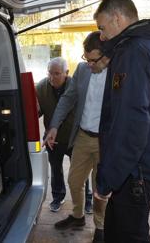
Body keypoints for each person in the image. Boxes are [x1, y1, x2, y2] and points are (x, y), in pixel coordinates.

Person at [93, 0, 150, 243]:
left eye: (102, 27)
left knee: (130, 235)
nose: (101, 35)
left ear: (117, 18)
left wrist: (107, 179)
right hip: (143, 165)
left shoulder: (133, 52)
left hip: (134, 170)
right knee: (120, 231)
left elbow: (130, 123)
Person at [44, 31, 110, 243]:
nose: (89, 64)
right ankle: (78, 216)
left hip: (105, 141)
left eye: (93, 60)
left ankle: (101, 227)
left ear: (106, 55)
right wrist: (54, 126)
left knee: (100, 188)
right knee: (74, 180)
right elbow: (68, 98)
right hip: (83, 136)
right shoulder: (83, 70)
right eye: (86, 59)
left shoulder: (119, 73)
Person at [36, 57, 93, 213]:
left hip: (75, 138)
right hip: (53, 140)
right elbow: (38, 112)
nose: (52, 77)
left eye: (57, 73)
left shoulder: (76, 86)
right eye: (50, 73)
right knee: (55, 169)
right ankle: (57, 197)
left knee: (81, 172)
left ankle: (88, 200)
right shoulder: (41, 88)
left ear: (66, 73)